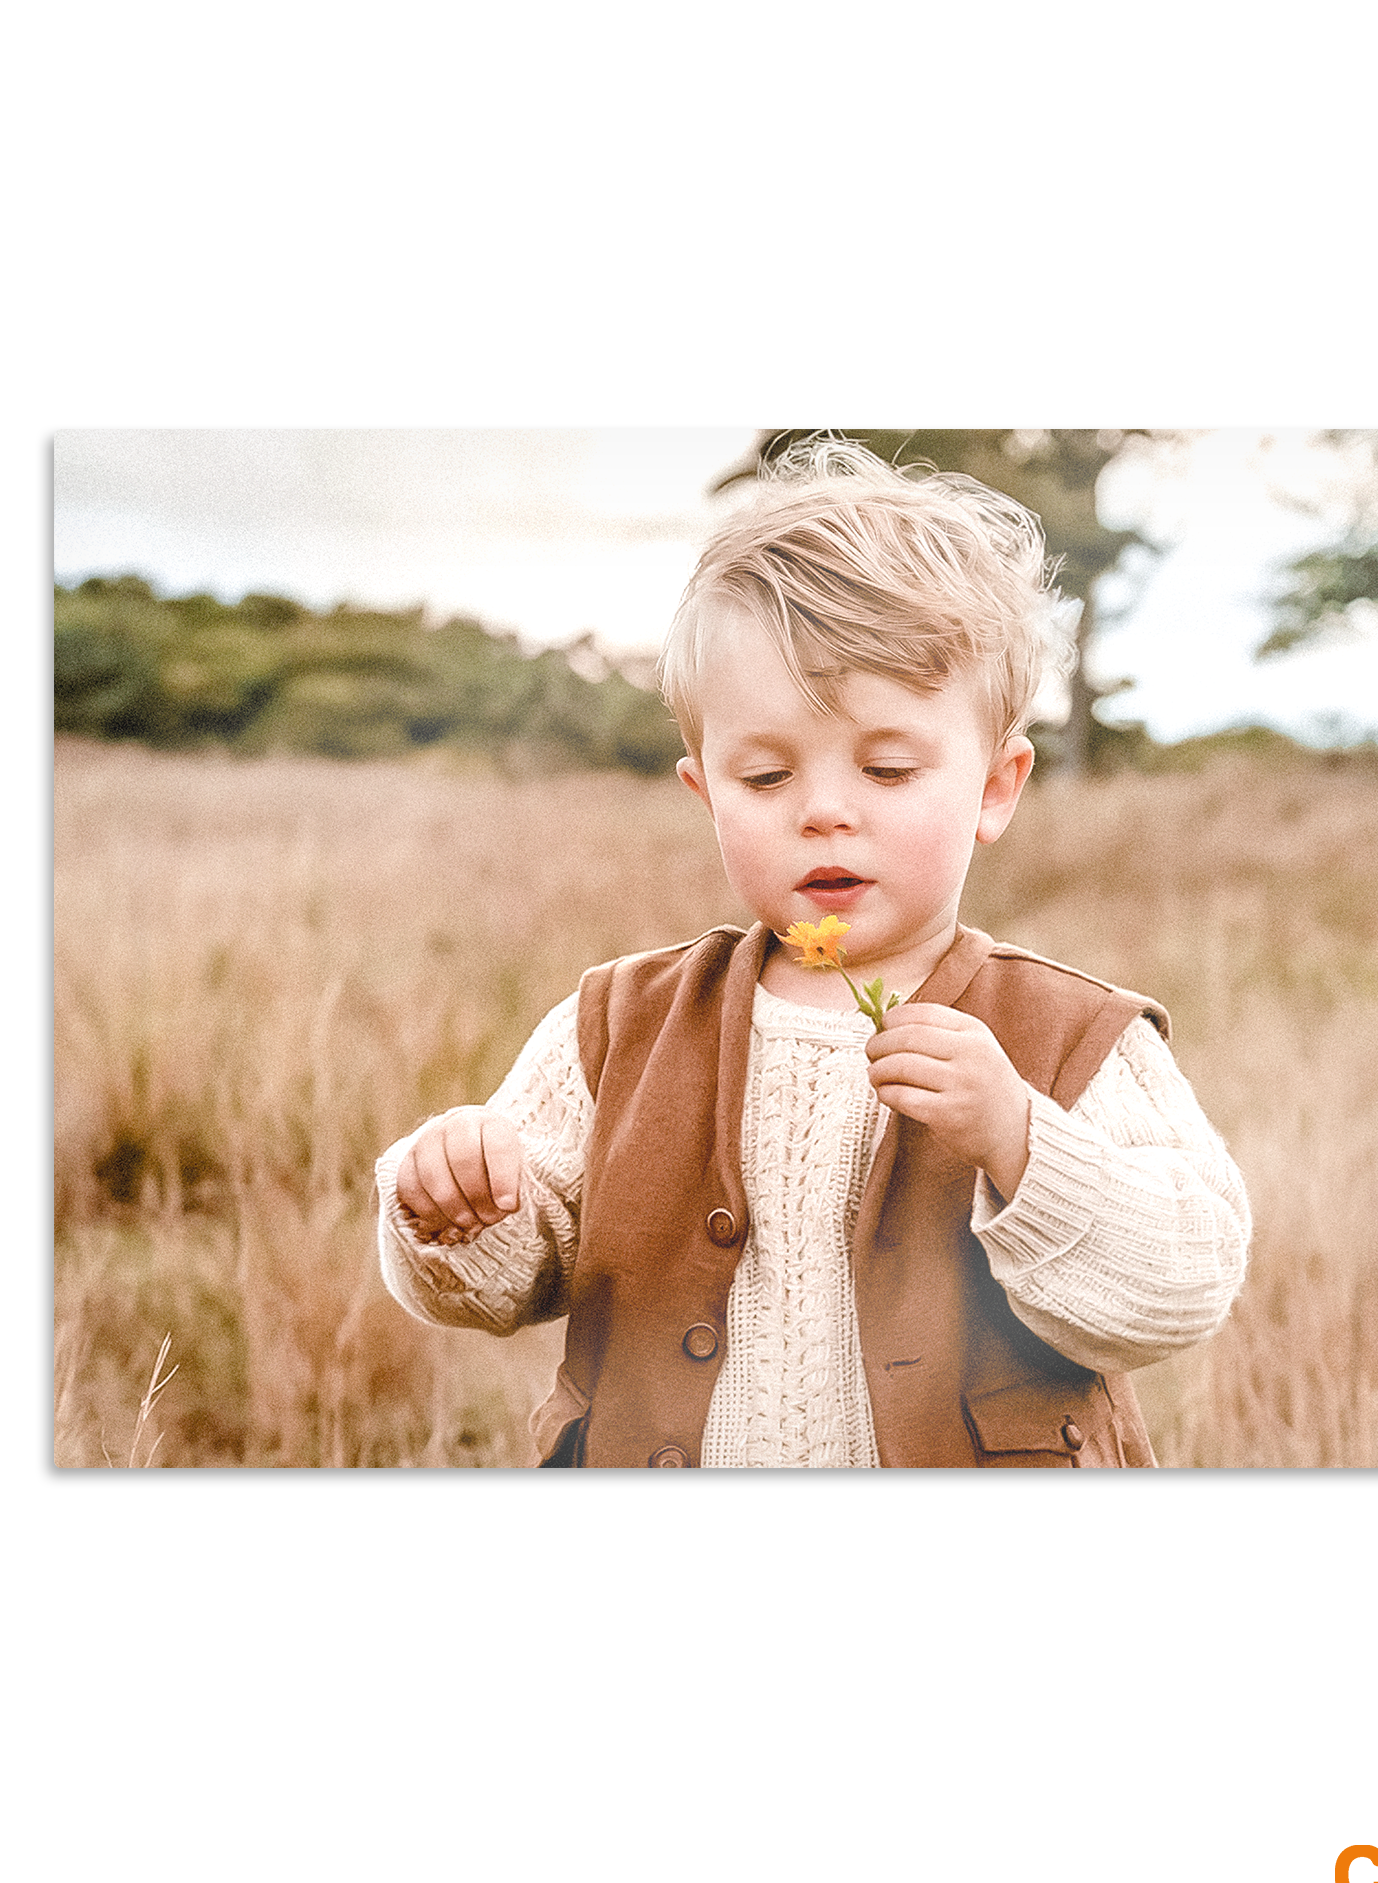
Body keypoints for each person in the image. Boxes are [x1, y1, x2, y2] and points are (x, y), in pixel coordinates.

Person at [375, 438, 1250, 1469]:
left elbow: (1181, 1286)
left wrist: (1019, 1138)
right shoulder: (617, 1025)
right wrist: (455, 1208)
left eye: (885, 767)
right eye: (764, 777)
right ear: (703, 791)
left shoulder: (1072, 1040)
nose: (825, 812)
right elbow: (513, 1274)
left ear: (994, 786)